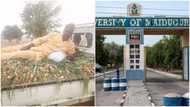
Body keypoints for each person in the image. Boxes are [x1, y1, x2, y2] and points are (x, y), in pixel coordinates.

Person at [1, 23, 76, 61]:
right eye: (67, 30)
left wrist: (70, 57)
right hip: (36, 47)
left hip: (39, 55)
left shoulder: (71, 44)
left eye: (70, 32)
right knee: (14, 48)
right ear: (64, 29)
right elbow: (41, 40)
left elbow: (72, 55)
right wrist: (28, 46)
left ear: (71, 33)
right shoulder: (54, 34)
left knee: (18, 53)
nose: (67, 33)